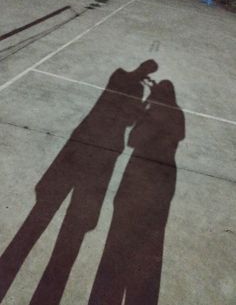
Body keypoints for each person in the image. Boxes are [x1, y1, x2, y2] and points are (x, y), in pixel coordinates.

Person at [0, 60, 158, 305]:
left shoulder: (118, 74)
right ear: (148, 72)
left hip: (82, 141)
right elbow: (129, 122)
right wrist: (147, 103)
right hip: (104, 151)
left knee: (40, 217)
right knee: (72, 228)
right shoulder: (136, 89)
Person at [88, 78, 185, 305]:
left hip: (141, 172)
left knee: (123, 232)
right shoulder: (178, 113)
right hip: (166, 175)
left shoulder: (152, 112)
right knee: (152, 236)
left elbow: (132, 140)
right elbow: (179, 136)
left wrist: (147, 106)